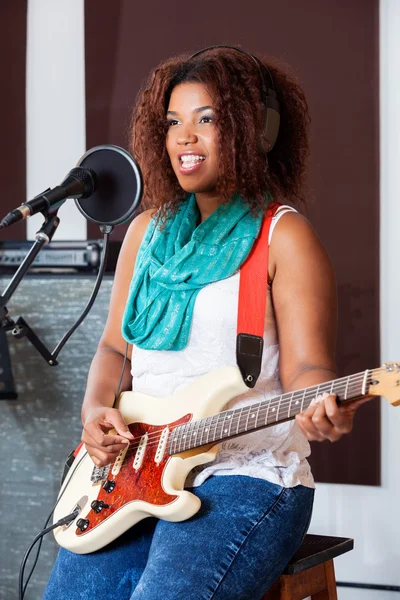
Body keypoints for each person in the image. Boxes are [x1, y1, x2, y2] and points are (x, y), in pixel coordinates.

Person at [44, 46, 362, 600]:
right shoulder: (145, 233)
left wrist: (319, 407)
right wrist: (95, 410)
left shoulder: (284, 237)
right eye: (173, 122)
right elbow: (116, 350)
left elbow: (310, 366)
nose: (184, 137)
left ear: (254, 132)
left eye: (206, 120)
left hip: (249, 474)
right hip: (136, 470)